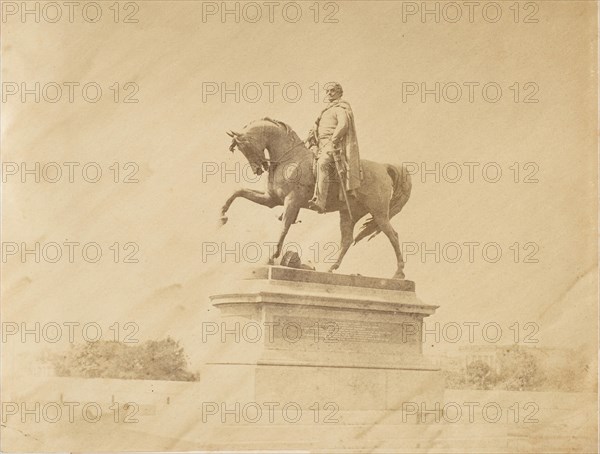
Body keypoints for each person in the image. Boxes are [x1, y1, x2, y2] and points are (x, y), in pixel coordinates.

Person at [306, 83, 361, 213]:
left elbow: (343, 125)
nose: (329, 93)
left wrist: (334, 139)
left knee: (322, 164)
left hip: (333, 145)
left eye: (332, 91)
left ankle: (320, 201)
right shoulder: (325, 111)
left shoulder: (340, 108)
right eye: (327, 91)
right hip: (320, 144)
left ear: (339, 93)